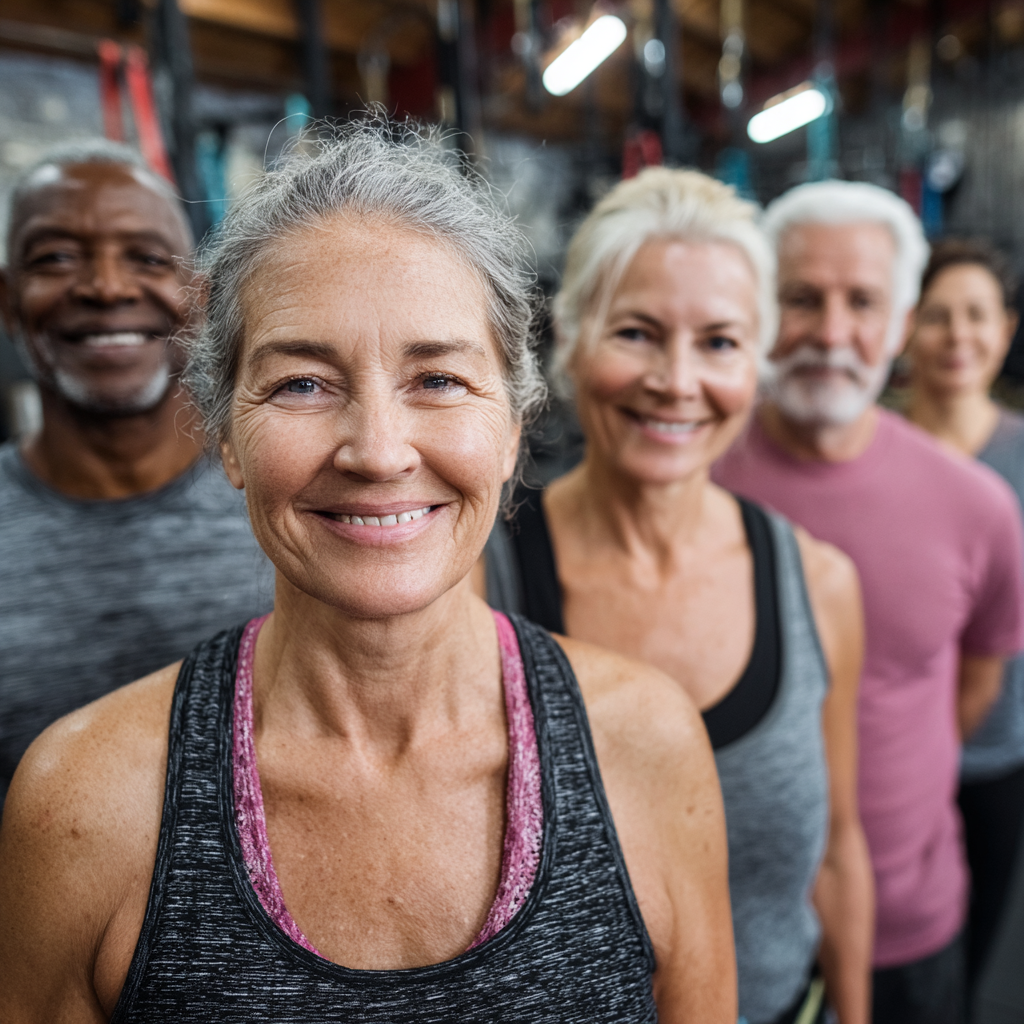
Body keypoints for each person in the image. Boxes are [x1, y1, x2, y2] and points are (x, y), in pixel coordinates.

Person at [0, 124, 735, 1022]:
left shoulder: (648, 746)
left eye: (439, 379)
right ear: (226, 434)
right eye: (302, 383)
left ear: (513, 424)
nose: (379, 452)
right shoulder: (81, 803)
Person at [483, 168, 873, 1024]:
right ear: (573, 342)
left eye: (720, 343)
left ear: (758, 365)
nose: (677, 380)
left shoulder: (817, 583)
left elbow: (838, 852)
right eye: (637, 332)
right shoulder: (480, 579)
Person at [713, 181, 1024, 1024]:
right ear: (764, 309)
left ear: (899, 323)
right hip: (723, 930)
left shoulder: (978, 506)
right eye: (804, 299)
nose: (834, 332)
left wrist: (902, 781)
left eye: (863, 302)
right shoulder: (694, 479)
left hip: (909, 919)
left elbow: (976, 687)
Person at [0, 141, 274, 814]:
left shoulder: (291, 497)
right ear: (8, 302)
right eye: (56, 257)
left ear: (198, 299)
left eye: (147, 258)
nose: (107, 287)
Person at [905, 238, 1024, 994]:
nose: (959, 336)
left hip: (994, 754)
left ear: (1006, 330)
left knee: (971, 954)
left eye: (977, 316)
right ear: (907, 326)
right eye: (939, 316)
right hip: (879, 758)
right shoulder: (865, 449)